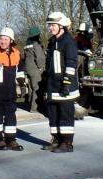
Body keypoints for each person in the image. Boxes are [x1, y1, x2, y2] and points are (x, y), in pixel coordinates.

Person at [42, 12, 79, 152]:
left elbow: (71, 64)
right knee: (53, 115)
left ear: (61, 26)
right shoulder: (52, 42)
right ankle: (57, 139)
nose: (51, 28)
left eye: (53, 25)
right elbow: (49, 64)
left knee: (65, 115)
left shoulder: (68, 41)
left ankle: (67, 143)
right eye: (50, 26)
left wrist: (66, 83)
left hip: (65, 87)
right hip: (52, 86)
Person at [22, 26, 45, 113]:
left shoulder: (26, 45)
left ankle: (30, 104)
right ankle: (34, 108)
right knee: (37, 88)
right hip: (34, 68)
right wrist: (41, 67)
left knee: (31, 88)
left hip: (27, 68)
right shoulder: (36, 44)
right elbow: (39, 57)